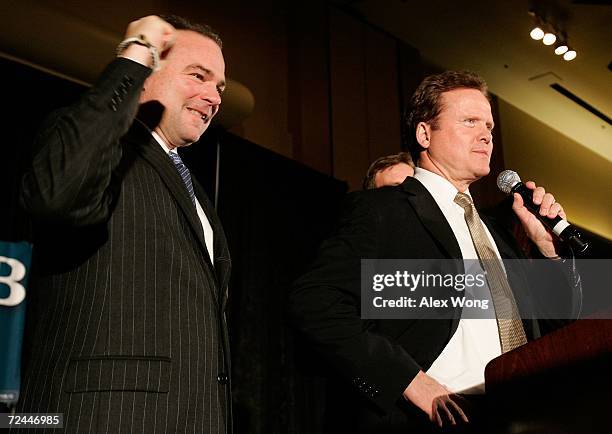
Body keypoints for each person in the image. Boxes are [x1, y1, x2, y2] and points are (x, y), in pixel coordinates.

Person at [288, 70, 580, 433]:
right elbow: (315, 304)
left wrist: (548, 252)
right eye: (469, 121)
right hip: (432, 418)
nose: (486, 134)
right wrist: (409, 380)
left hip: (517, 416)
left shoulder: (497, 234)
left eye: (488, 124)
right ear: (425, 133)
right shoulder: (383, 210)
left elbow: (561, 328)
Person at [18, 15, 232, 433]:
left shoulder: (190, 188)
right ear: (148, 71)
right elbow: (58, 194)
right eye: (198, 76)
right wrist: (133, 56)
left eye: (220, 87)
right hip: (101, 415)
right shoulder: (99, 142)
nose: (213, 96)